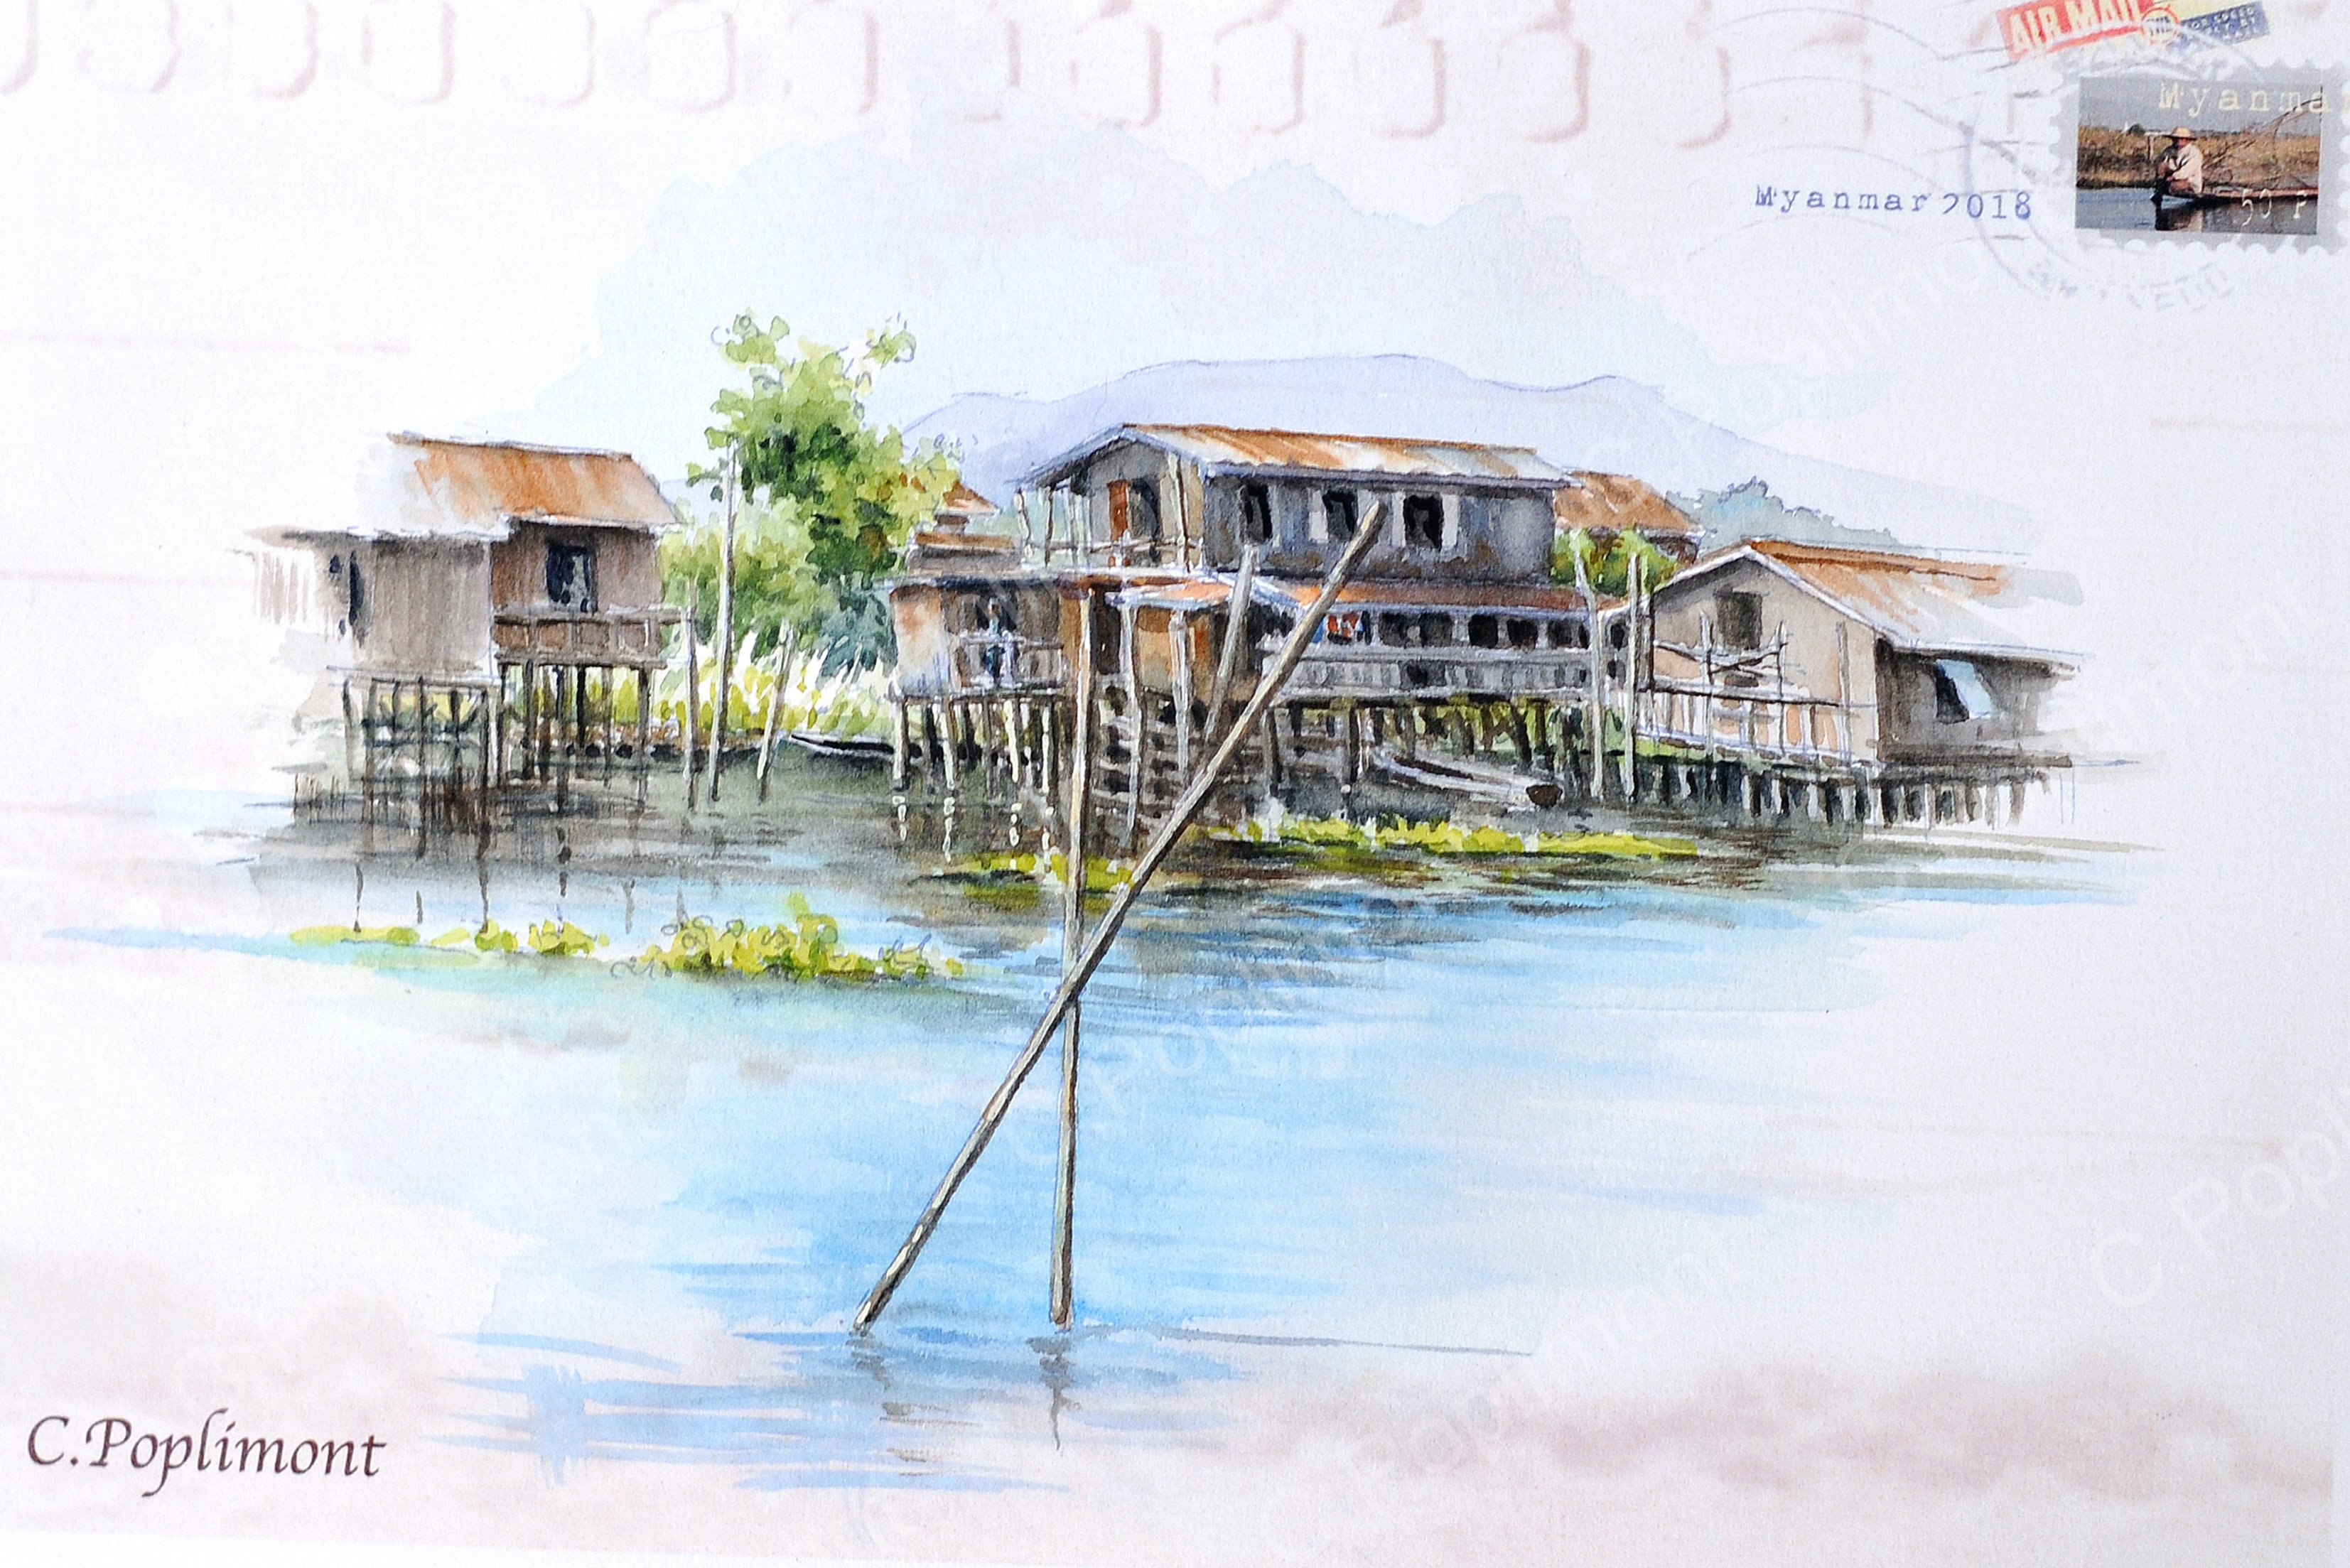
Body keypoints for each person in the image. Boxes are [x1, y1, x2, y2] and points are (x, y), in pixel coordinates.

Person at [2156, 126, 2204, 198]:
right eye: (2176, 138)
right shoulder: (2169, 151)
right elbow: (2162, 164)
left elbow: (2188, 171)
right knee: (2162, 166)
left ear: (2188, 140)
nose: (2178, 140)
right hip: (2171, 179)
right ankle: (2159, 191)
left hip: (2190, 182)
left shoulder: (2194, 153)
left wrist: (2173, 177)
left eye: (2182, 138)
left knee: (2173, 186)